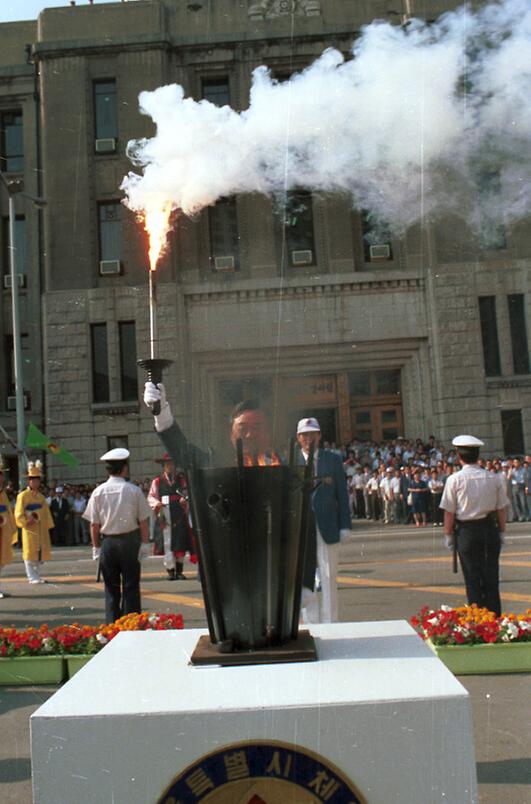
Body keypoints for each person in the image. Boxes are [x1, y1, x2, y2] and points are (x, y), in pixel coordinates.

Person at [440, 435, 508, 616]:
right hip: (489, 529)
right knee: (491, 578)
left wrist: (447, 535)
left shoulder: (454, 480)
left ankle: (478, 622)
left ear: (458, 456)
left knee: (472, 579)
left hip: (466, 532)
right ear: (478, 455)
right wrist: (501, 532)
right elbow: (501, 509)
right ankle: (495, 621)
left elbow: (449, 512)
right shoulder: (493, 478)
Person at [83, 448, 151, 624]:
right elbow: (143, 520)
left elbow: (94, 524)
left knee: (111, 590)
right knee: (131, 587)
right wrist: (145, 543)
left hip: (109, 543)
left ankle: (112, 627)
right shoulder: (133, 490)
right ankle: (132, 625)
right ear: (124, 468)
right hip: (130, 541)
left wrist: (96, 548)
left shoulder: (98, 492)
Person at [143, 383, 281, 467]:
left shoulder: (280, 468)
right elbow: (182, 451)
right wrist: (160, 412)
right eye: (242, 428)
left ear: (268, 433)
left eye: (256, 427)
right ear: (231, 433)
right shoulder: (214, 464)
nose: (249, 435)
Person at [296, 417, 352, 624]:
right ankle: (310, 624)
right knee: (305, 581)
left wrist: (345, 525)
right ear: (298, 438)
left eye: (313, 434)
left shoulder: (333, 459)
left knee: (328, 578)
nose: (309, 439)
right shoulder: (291, 461)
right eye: (305, 435)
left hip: (327, 526)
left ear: (319, 436)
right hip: (302, 529)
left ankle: (331, 623)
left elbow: (342, 495)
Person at [148, 453, 196, 580]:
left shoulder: (181, 480)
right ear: (163, 466)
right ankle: (170, 570)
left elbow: (188, 493)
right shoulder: (157, 481)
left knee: (180, 540)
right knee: (167, 541)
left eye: (172, 464)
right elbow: (151, 497)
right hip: (165, 512)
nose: (170, 466)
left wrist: (185, 499)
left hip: (180, 513)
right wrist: (157, 503)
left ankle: (179, 571)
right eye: (168, 464)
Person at [15, 461, 55, 584]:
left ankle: (37, 575)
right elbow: (18, 512)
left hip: (40, 527)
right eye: (33, 480)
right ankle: (31, 577)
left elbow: (46, 512)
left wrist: (47, 524)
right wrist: (26, 521)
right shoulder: (22, 496)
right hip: (30, 527)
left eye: (37, 480)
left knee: (39, 553)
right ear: (29, 481)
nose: (36, 482)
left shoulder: (41, 497)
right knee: (29, 552)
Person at [0, 460, 17, 598]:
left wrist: (11, 527)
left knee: (1, 562)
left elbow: (8, 512)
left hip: (3, 532)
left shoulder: (3, 494)